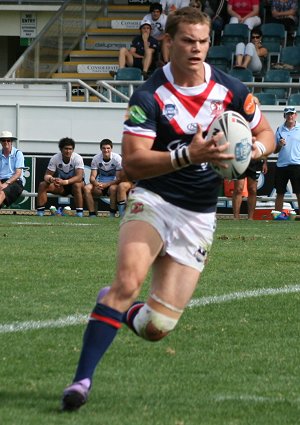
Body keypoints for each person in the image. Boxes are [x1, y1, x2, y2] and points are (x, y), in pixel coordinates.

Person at [61, 7, 275, 411]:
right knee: (127, 283)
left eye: (202, 41)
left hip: (198, 215)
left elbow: (264, 130)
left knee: (157, 327)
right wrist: (187, 155)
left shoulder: (231, 90)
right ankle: (80, 382)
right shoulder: (148, 96)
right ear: (167, 42)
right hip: (154, 200)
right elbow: (133, 162)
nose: (196, 49)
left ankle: (115, 307)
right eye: (187, 41)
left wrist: (252, 151)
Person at [36, 137, 85, 217]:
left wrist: (65, 182)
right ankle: (40, 212)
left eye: (70, 149)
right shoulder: (55, 158)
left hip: (75, 186)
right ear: (61, 149)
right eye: (66, 149)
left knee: (77, 185)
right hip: (61, 186)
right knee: (43, 184)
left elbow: (79, 177)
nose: (68, 151)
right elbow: (46, 175)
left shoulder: (77, 158)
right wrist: (52, 179)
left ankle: (79, 213)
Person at [84, 139, 123, 218]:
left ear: (111, 149)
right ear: (101, 149)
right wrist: (97, 184)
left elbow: (119, 179)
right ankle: (92, 214)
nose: (106, 150)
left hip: (112, 184)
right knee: (86, 188)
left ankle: (112, 214)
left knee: (113, 189)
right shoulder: (96, 158)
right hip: (100, 184)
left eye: (108, 148)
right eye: (104, 148)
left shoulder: (117, 158)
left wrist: (106, 185)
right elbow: (92, 177)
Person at [274, 106, 300, 213]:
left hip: (297, 164)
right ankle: (277, 216)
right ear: (284, 116)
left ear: (296, 115)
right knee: (280, 192)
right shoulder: (279, 130)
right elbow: (275, 150)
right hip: (282, 165)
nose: (290, 116)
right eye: (288, 114)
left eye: (292, 114)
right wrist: (279, 145)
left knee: (299, 192)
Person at [0, 130, 25, 209]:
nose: (6, 142)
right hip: (1, 181)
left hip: (15, 181)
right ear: (1, 142)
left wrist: (6, 184)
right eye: (4, 140)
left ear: (11, 142)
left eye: (8, 140)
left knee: (1, 193)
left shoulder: (18, 153)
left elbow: (18, 174)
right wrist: (0, 184)